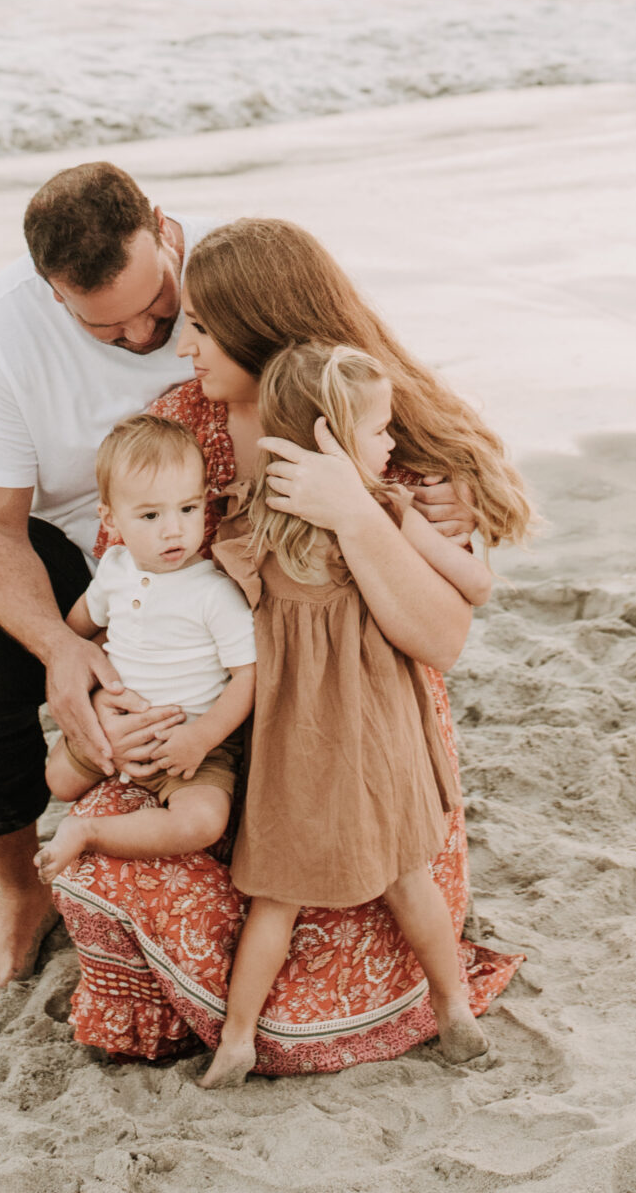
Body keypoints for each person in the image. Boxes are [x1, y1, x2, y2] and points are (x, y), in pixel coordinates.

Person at [0, 168, 472, 984]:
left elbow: (373, 395)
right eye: (111, 328)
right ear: (54, 295)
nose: (150, 339)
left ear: (164, 231)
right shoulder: (4, 335)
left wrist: (403, 495)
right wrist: (67, 654)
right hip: (92, 545)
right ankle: (18, 890)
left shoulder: (245, 278)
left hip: (261, 584)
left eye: (165, 311)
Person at [49, 217, 534, 1074]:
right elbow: (128, 595)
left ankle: (399, 1006)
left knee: (366, 903)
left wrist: (353, 505)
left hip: (358, 731)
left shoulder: (371, 434)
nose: (179, 349)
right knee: (106, 856)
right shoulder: (176, 435)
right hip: (224, 730)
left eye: (200, 327)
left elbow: (443, 635)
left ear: (265, 338)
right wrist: (109, 705)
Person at [201, 343, 494, 1087]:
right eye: (378, 431)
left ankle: (237, 1040)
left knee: (277, 896)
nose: (391, 445)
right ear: (329, 438)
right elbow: (475, 585)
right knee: (407, 875)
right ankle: (451, 1004)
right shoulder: (384, 511)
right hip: (380, 731)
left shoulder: (247, 531)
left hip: (294, 743)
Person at [32, 412, 256, 883]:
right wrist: (96, 702)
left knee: (202, 822)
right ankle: (89, 800)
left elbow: (248, 676)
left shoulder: (214, 592)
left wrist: (201, 739)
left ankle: (89, 833)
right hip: (120, 726)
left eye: (188, 509)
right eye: (151, 515)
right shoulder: (114, 570)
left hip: (190, 741)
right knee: (58, 780)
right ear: (111, 520)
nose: (173, 530)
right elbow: (75, 634)